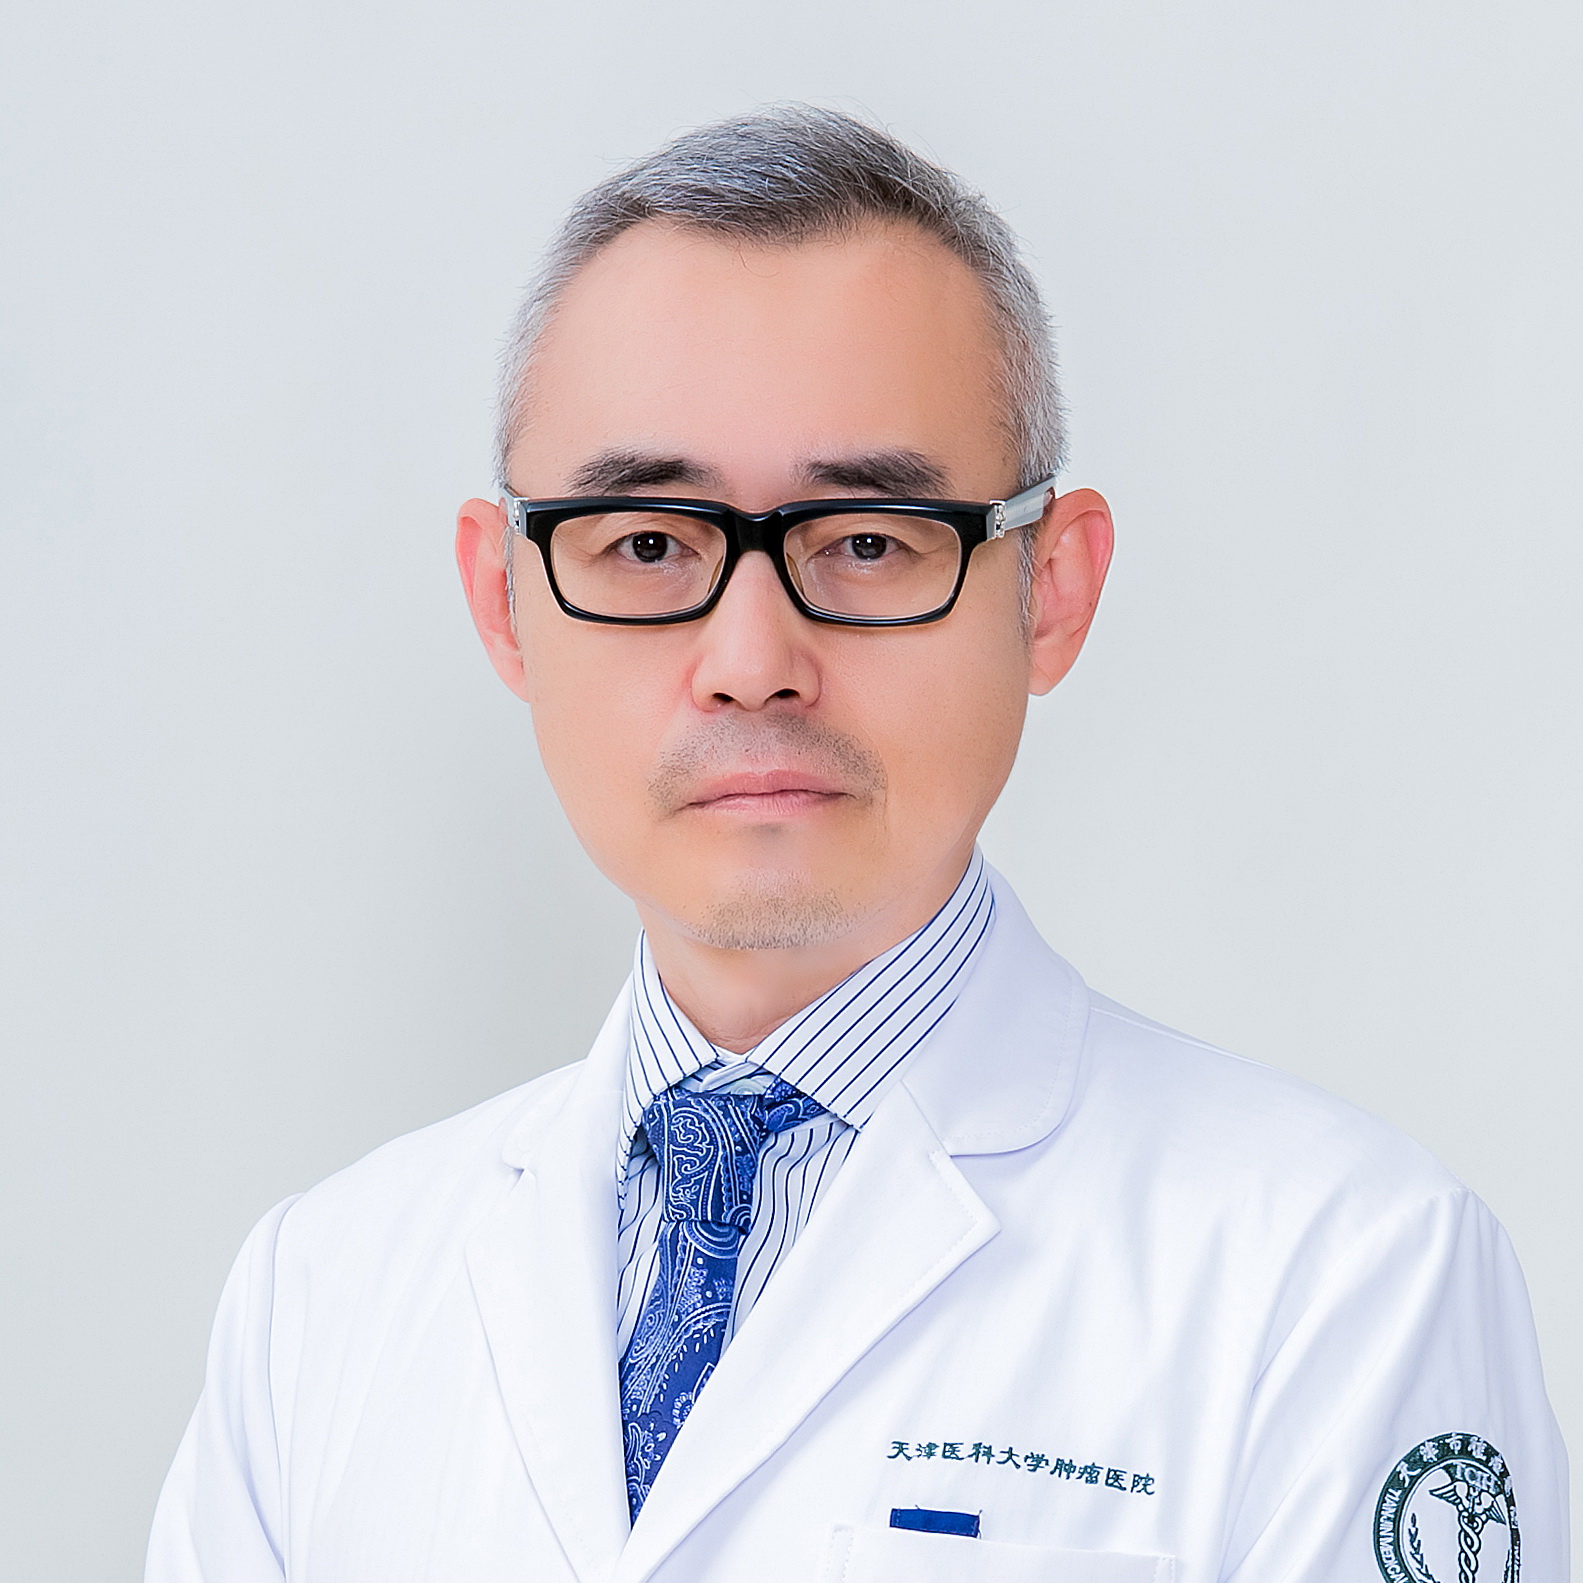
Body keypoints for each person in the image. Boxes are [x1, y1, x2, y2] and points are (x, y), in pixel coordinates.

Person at [146, 106, 1567, 1583]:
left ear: (1053, 590)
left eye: (869, 541)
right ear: (505, 600)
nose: (751, 662)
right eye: (648, 545)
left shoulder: (1342, 1278)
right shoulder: (321, 1296)